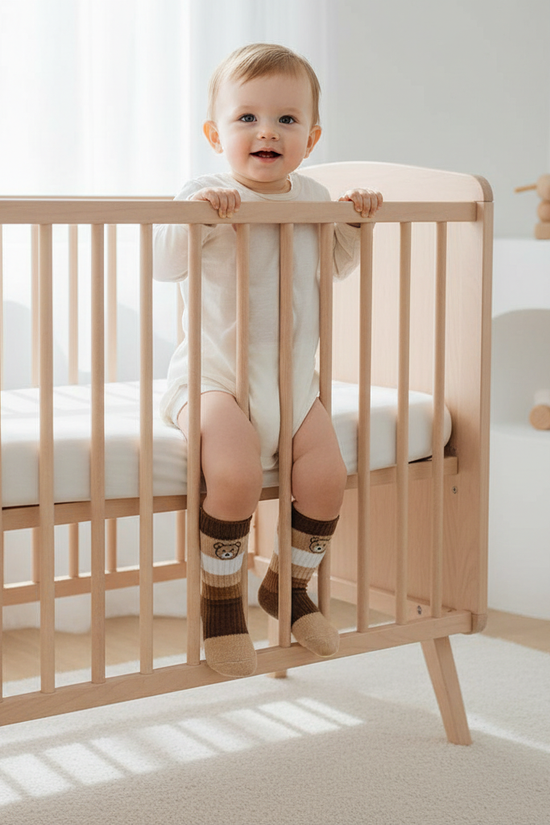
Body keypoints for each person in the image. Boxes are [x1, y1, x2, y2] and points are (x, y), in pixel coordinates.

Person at [153, 43, 382, 678]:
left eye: (286, 120)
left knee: (328, 478)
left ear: (310, 136)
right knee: (232, 476)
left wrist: (353, 223)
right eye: (246, 117)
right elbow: (163, 264)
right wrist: (198, 218)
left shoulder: (312, 196)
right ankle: (221, 604)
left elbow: (330, 268)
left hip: (291, 383)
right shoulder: (204, 193)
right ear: (215, 133)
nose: (266, 132)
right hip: (212, 376)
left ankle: (289, 585)